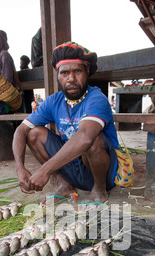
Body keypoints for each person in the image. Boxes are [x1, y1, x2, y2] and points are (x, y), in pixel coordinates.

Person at [12, 41, 133, 204]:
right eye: (64, 73)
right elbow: (21, 130)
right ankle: (66, 185)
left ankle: (99, 191)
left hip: (101, 172)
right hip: (72, 167)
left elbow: (85, 137)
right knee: (33, 133)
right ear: (57, 74)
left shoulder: (96, 98)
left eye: (77, 71)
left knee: (92, 138)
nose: (71, 79)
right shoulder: (54, 101)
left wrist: (45, 170)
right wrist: (20, 168)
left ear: (87, 71)